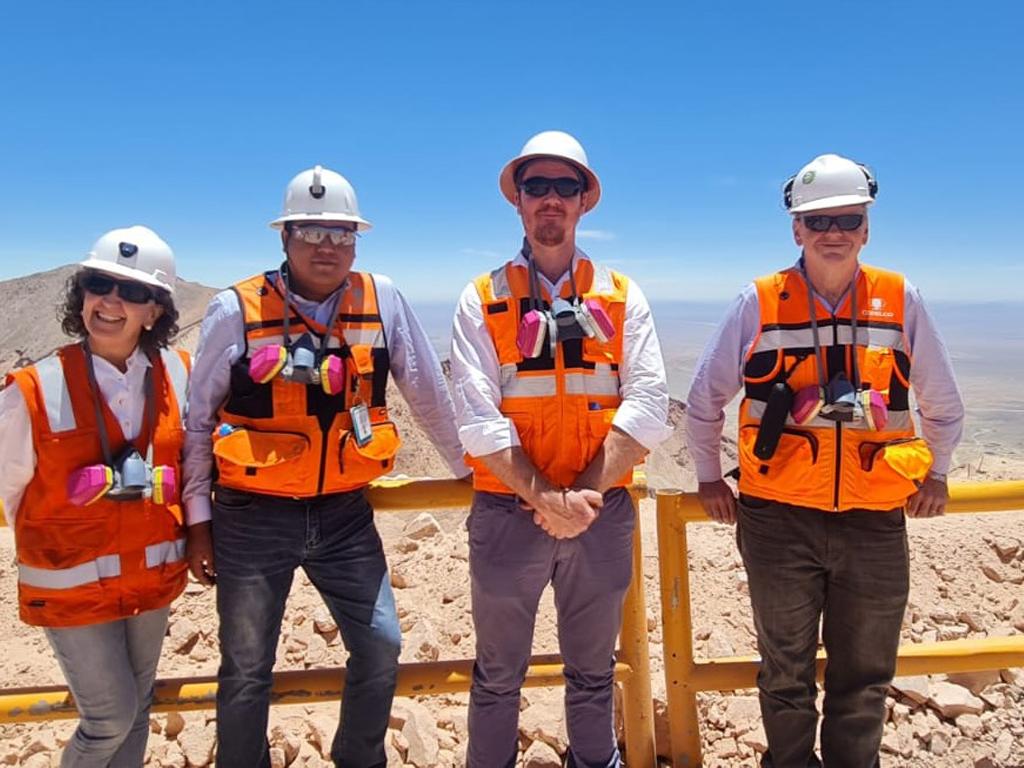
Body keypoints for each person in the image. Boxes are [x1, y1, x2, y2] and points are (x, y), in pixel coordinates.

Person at [182, 164, 469, 768]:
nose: (327, 246)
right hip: (251, 517)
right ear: (284, 237)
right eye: (311, 232)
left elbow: (427, 392)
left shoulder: (381, 299)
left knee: (381, 644)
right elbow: (198, 421)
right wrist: (198, 522)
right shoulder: (235, 308)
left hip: (344, 514)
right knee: (246, 667)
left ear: (357, 241)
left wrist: (470, 469)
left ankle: (359, 758)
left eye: (341, 233)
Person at [686, 153, 965, 768]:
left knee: (864, 678)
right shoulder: (760, 300)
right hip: (777, 519)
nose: (833, 232)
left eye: (847, 219)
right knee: (784, 672)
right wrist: (708, 477)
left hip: (873, 519)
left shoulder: (900, 298)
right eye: (818, 221)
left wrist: (939, 472)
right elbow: (704, 398)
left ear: (867, 228)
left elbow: (942, 399)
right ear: (796, 230)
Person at [450, 130, 671, 768]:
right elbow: (477, 417)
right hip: (508, 512)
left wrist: (582, 497)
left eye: (564, 186)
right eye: (537, 185)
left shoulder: (622, 295)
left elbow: (649, 402)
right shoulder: (482, 298)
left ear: (584, 200)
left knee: (595, 672)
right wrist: (547, 498)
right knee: (497, 674)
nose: (551, 198)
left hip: (598, 513)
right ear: (517, 199)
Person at [1, 226, 190, 766]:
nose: (110, 301)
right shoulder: (33, 388)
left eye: (131, 291)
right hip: (73, 586)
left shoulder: (179, 373)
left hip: (150, 578)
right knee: (108, 718)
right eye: (99, 285)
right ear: (81, 295)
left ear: (154, 311)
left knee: (138, 709)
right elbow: (8, 488)